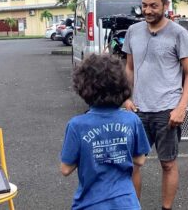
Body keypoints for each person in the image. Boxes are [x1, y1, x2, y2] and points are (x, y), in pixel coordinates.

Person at [122, 0, 188, 210]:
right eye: (144, 5)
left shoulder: (178, 33)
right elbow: (129, 69)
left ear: (165, 5)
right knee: (134, 164)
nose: (147, 10)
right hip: (138, 111)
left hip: (167, 111)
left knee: (168, 164)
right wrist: (127, 97)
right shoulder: (133, 32)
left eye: (153, 6)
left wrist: (181, 108)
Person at [60, 53, 151, 210]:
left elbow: (66, 169)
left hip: (90, 203)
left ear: (83, 87)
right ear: (122, 85)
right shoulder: (132, 120)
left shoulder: (77, 125)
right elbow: (140, 160)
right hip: (127, 203)